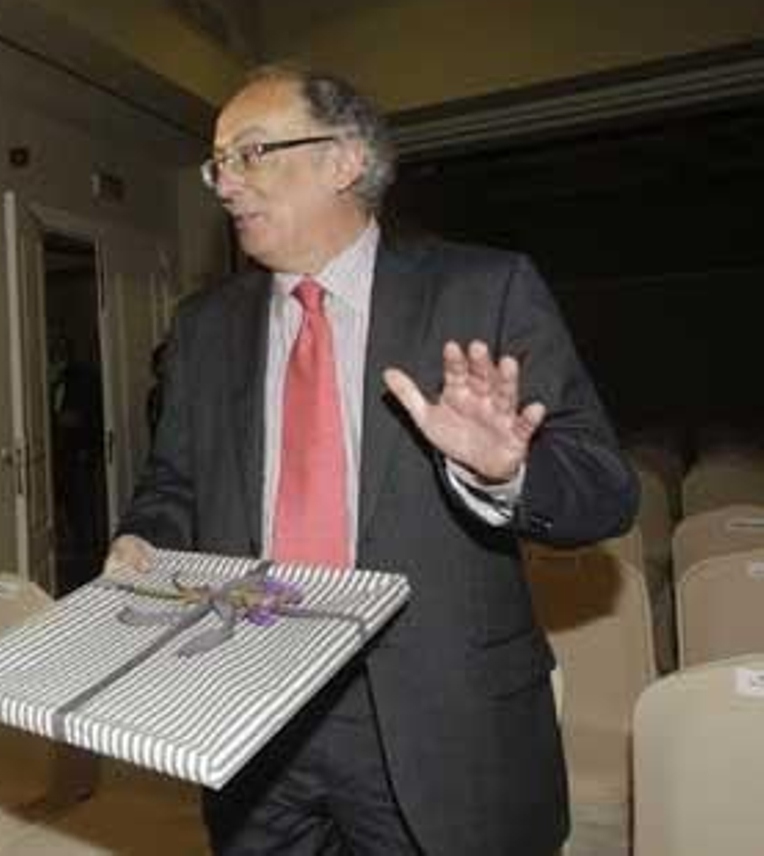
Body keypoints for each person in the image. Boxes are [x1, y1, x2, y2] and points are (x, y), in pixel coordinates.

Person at [107, 64, 637, 856]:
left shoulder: (483, 290)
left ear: (345, 160)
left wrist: (507, 473)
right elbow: (175, 484)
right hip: (253, 715)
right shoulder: (203, 327)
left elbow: (604, 490)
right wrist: (143, 539)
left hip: (438, 721)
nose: (226, 184)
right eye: (218, 163)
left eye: (251, 152)